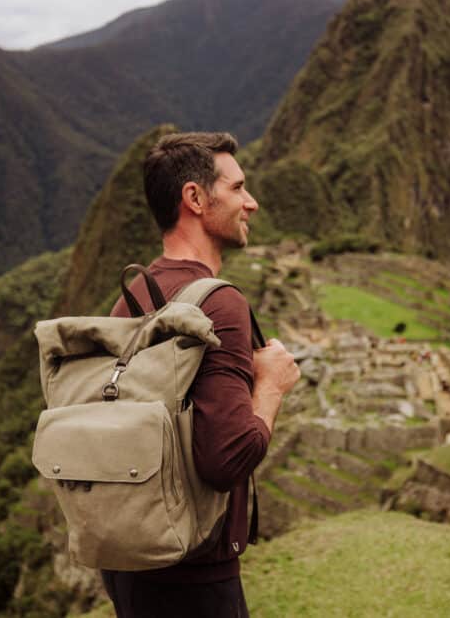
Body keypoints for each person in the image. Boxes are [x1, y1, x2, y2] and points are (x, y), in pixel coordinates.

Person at [100, 131, 300, 617]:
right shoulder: (220, 303)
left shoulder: (132, 296)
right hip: (193, 576)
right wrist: (271, 385)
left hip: (130, 564)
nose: (251, 203)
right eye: (237, 188)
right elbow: (226, 460)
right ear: (194, 198)